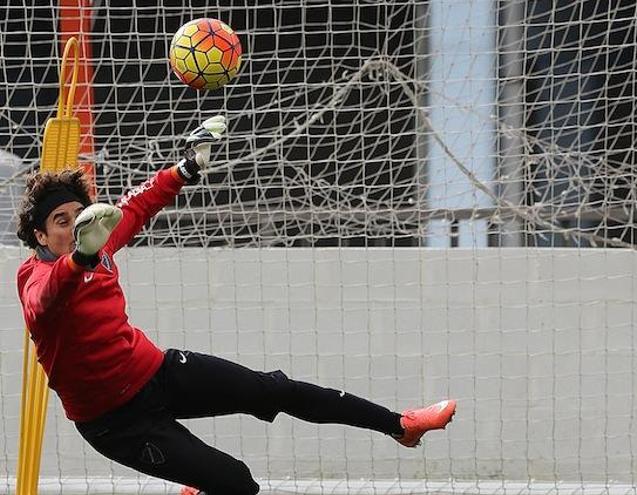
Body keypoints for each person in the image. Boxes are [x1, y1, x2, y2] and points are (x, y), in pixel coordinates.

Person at [15, 116, 456, 495]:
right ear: (39, 235)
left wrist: (187, 166)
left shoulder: (101, 239)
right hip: (116, 422)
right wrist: (80, 258)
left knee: (274, 389)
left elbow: (142, 201)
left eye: (80, 215)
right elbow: (46, 297)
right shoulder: (36, 277)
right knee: (237, 484)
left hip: (157, 372)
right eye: (61, 221)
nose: (74, 226)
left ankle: (401, 425)